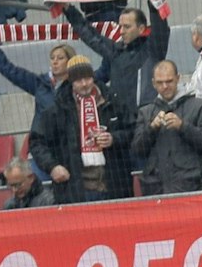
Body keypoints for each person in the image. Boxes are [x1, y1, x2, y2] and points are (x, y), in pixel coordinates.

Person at [29, 60, 135, 203]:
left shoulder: (113, 101)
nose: (84, 84)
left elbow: (133, 130)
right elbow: (36, 142)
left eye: (88, 78)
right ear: (70, 81)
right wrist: (53, 167)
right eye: (78, 80)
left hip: (115, 185)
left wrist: (114, 138)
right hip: (74, 189)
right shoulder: (56, 109)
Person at [132, 60, 202, 195]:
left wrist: (183, 127)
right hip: (155, 188)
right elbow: (137, 150)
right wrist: (151, 128)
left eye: (169, 81)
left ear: (178, 78)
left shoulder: (199, 106)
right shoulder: (145, 112)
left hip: (190, 186)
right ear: (153, 83)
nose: (165, 86)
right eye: (160, 83)